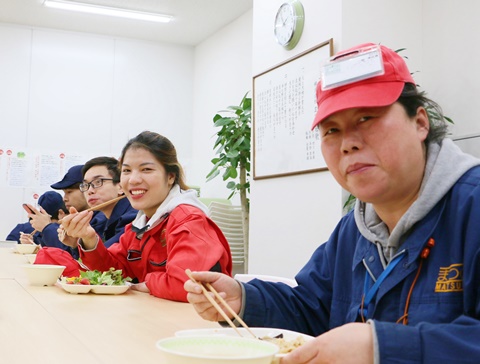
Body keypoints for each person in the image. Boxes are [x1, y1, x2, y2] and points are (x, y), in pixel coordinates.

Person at [184, 43, 480, 363]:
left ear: (420, 122)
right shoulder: (353, 229)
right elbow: (311, 307)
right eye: (332, 130)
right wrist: (242, 299)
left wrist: (381, 347)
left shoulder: (471, 207)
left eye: (367, 117)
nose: (348, 143)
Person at [60, 131, 233, 302]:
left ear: (170, 177)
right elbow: (113, 272)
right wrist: (89, 238)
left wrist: (145, 284)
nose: (133, 180)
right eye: (127, 170)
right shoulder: (140, 224)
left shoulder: (188, 220)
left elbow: (186, 284)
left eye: (147, 169)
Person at [31, 165, 107, 258]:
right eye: (64, 193)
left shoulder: (100, 219)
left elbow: (69, 257)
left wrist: (46, 227)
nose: (64, 199)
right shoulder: (83, 217)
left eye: (69, 192)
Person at [78, 156, 137, 247]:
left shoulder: (132, 217)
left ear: (121, 187)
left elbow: (107, 256)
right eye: (86, 185)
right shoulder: (103, 220)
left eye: (98, 182)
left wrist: (85, 240)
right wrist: (74, 242)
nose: (90, 191)